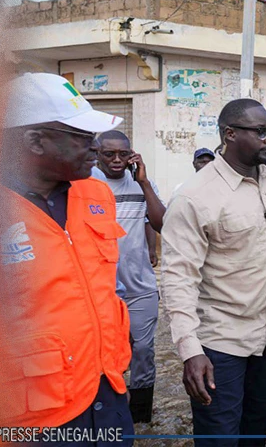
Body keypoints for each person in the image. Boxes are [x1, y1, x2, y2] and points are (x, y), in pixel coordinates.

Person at [160, 99, 266, 445]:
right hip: (220, 345)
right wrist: (189, 350)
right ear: (230, 134)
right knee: (219, 438)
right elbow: (178, 279)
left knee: (256, 431)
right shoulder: (194, 197)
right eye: (261, 132)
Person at [0, 73, 134, 435]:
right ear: (35, 141)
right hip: (34, 416)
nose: (96, 147)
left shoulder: (96, 194)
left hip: (108, 392)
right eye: (82, 137)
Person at [90, 130, 167, 424]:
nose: (118, 160)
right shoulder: (87, 186)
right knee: (108, 355)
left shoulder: (140, 185)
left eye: (124, 153)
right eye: (109, 154)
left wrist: (144, 181)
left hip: (141, 287)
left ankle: (140, 420)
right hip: (102, 290)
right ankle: (114, 413)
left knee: (144, 351)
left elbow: (161, 224)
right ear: (97, 154)